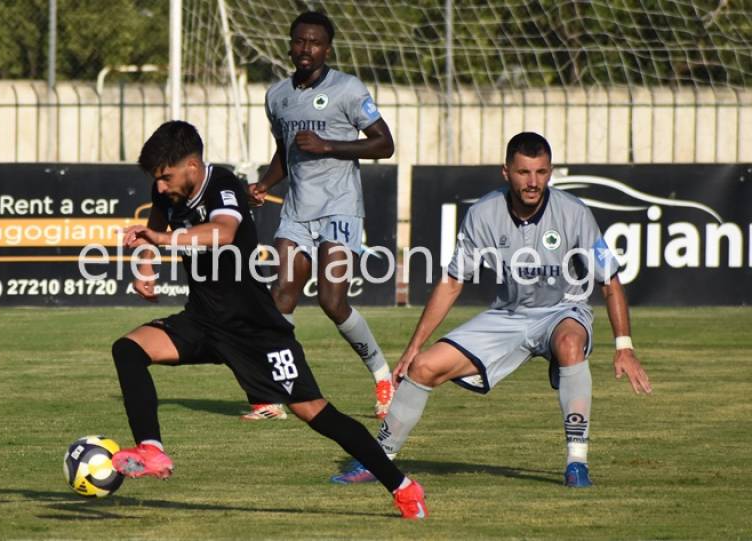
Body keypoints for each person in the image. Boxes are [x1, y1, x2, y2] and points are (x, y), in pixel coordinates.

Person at [109, 120, 427, 519]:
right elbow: (153, 231)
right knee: (128, 349)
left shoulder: (222, 184)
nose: (159, 187)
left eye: (165, 177)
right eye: (155, 179)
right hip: (203, 322)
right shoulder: (167, 193)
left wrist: (162, 240)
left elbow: (223, 232)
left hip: (256, 331)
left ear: (191, 166)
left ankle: (403, 486)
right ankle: (151, 450)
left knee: (316, 413)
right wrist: (146, 268)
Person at [332, 131, 653, 487]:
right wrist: (413, 348)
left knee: (570, 344)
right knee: (422, 368)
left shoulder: (574, 213)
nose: (533, 182)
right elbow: (452, 282)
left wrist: (624, 346)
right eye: (524, 172)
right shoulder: (484, 213)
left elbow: (610, 282)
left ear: (550, 172)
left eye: (541, 172)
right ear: (506, 172)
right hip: (508, 316)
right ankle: (378, 461)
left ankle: (577, 464)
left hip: (563, 312)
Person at [246, 11, 395, 421]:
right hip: (297, 210)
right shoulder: (277, 96)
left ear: (327, 49)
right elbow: (286, 151)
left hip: (340, 207)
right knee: (281, 297)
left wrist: (329, 146)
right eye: (299, 41)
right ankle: (274, 396)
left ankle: (383, 376)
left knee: (332, 300)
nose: (306, 48)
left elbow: (384, 144)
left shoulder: (348, 89)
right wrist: (264, 184)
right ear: (290, 46)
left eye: (314, 42)